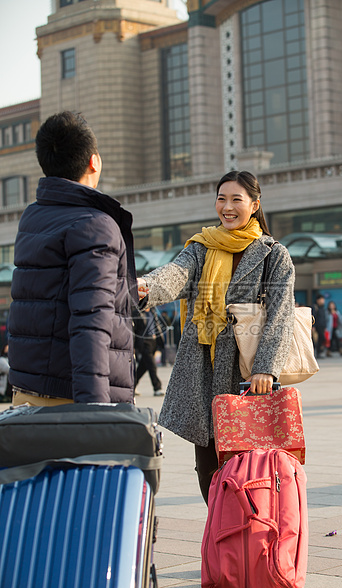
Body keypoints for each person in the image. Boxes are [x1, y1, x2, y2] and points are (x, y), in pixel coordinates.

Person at [137, 170, 295, 503]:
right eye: (221, 198)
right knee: (208, 472)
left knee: (250, 473)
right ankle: (221, 542)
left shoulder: (273, 254)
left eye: (236, 199)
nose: (227, 207)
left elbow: (280, 314)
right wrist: (146, 287)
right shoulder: (201, 247)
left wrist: (266, 367)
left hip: (248, 378)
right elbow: (174, 275)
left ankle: (252, 543)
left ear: (254, 204)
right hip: (205, 377)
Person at [8, 111, 137, 406]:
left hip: (28, 395)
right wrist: (95, 412)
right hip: (72, 402)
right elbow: (90, 321)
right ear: (95, 161)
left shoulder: (34, 216)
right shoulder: (94, 225)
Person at [134, 307, 165, 396]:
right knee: (152, 366)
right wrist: (134, 345)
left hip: (153, 341)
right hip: (144, 342)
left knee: (142, 367)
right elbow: (134, 330)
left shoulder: (153, 312)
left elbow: (157, 326)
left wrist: (159, 342)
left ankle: (132, 386)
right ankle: (157, 387)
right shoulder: (137, 313)